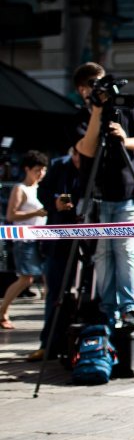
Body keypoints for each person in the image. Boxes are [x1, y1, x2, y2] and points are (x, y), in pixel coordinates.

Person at [73, 62, 134, 329]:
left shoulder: (124, 106)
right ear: (83, 89)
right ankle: (107, 308)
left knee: (127, 251)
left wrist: (124, 140)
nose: (102, 89)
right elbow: (87, 149)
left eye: (103, 82)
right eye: (96, 84)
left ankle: (129, 308)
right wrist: (96, 111)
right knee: (103, 253)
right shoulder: (80, 114)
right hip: (97, 195)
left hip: (127, 193)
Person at [28, 149, 82, 360]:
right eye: (76, 154)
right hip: (59, 240)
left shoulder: (97, 164)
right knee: (55, 293)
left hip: (91, 239)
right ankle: (49, 344)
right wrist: (55, 203)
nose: (78, 159)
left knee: (86, 294)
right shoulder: (60, 165)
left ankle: (82, 341)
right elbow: (43, 192)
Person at [0, 151, 49, 330]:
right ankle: (2, 310)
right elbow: (11, 214)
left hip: (43, 239)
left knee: (48, 277)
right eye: (37, 170)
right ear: (27, 169)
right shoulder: (20, 189)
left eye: (43, 170)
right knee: (26, 279)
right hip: (25, 240)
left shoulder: (43, 188)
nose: (41, 174)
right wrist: (35, 213)